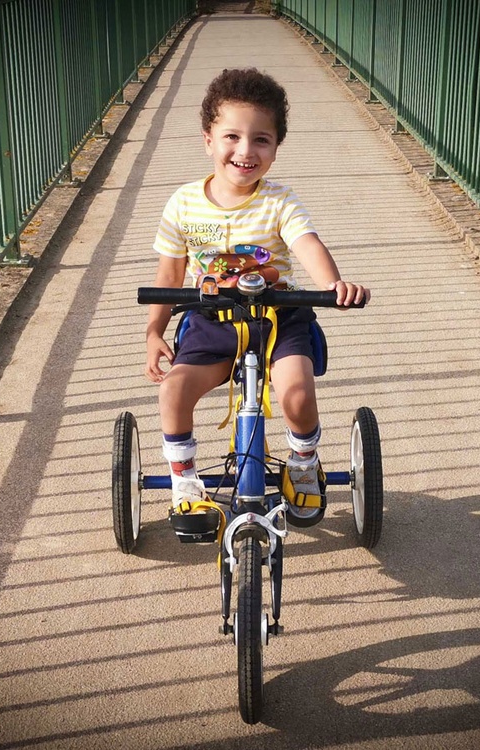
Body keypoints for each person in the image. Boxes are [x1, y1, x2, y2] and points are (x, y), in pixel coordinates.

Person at [144, 67, 369, 526]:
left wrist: (333, 284)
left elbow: (307, 244)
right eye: (231, 136)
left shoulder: (280, 201)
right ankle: (185, 482)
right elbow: (170, 272)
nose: (245, 151)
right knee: (172, 391)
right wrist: (154, 330)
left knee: (298, 395)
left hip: (280, 319)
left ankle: (303, 465)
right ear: (208, 138)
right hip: (212, 322)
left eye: (261, 140)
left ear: (275, 147)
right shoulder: (183, 203)